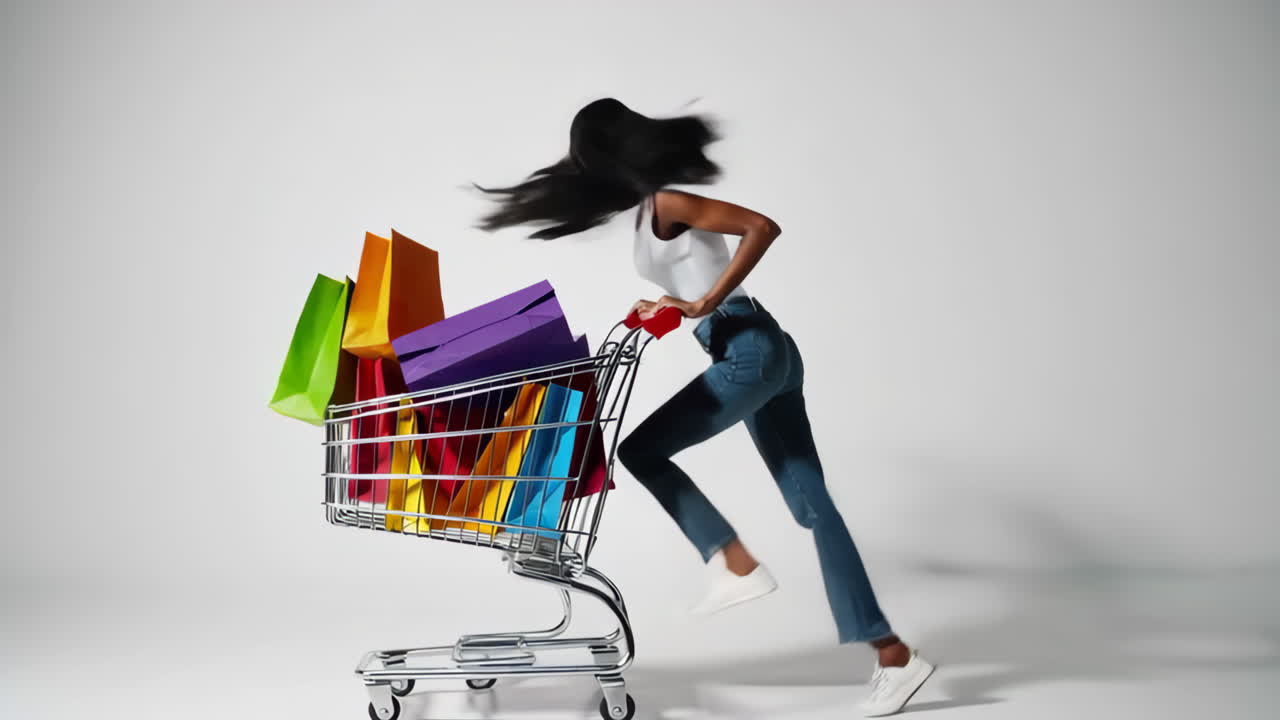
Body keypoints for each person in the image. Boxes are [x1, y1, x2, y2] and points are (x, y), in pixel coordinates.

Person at [473, 97, 933, 716]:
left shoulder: (666, 201)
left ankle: (734, 561)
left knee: (638, 449)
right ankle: (894, 656)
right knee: (814, 508)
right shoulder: (647, 212)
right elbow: (693, 282)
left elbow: (761, 227)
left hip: (749, 349)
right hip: (756, 348)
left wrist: (702, 302)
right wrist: (664, 306)